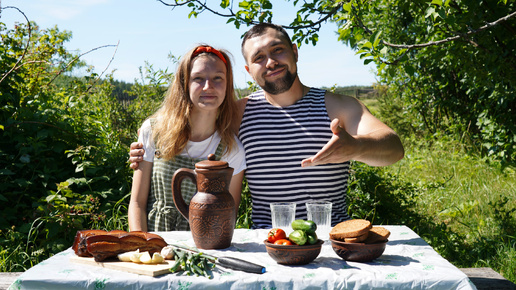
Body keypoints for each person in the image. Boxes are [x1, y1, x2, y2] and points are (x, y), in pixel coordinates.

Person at [130, 23, 404, 229]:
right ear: (249, 70)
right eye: (258, 57)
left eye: (277, 50)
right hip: (269, 244)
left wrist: (356, 147)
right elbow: (194, 135)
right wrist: (144, 150)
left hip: (331, 241)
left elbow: (393, 148)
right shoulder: (238, 113)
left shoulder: (338, 107)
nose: (270, 62)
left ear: (294, 52)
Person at [128, 44, 246, 232]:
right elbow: (137, 203)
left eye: (218, 78)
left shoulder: (231, 149)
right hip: (153, 246)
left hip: (202, 251)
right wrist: (142, 248)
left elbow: (227, 217)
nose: (208, 87)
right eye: (198, 78)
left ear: (227, 84)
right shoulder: (154, 131)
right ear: (184, 84)